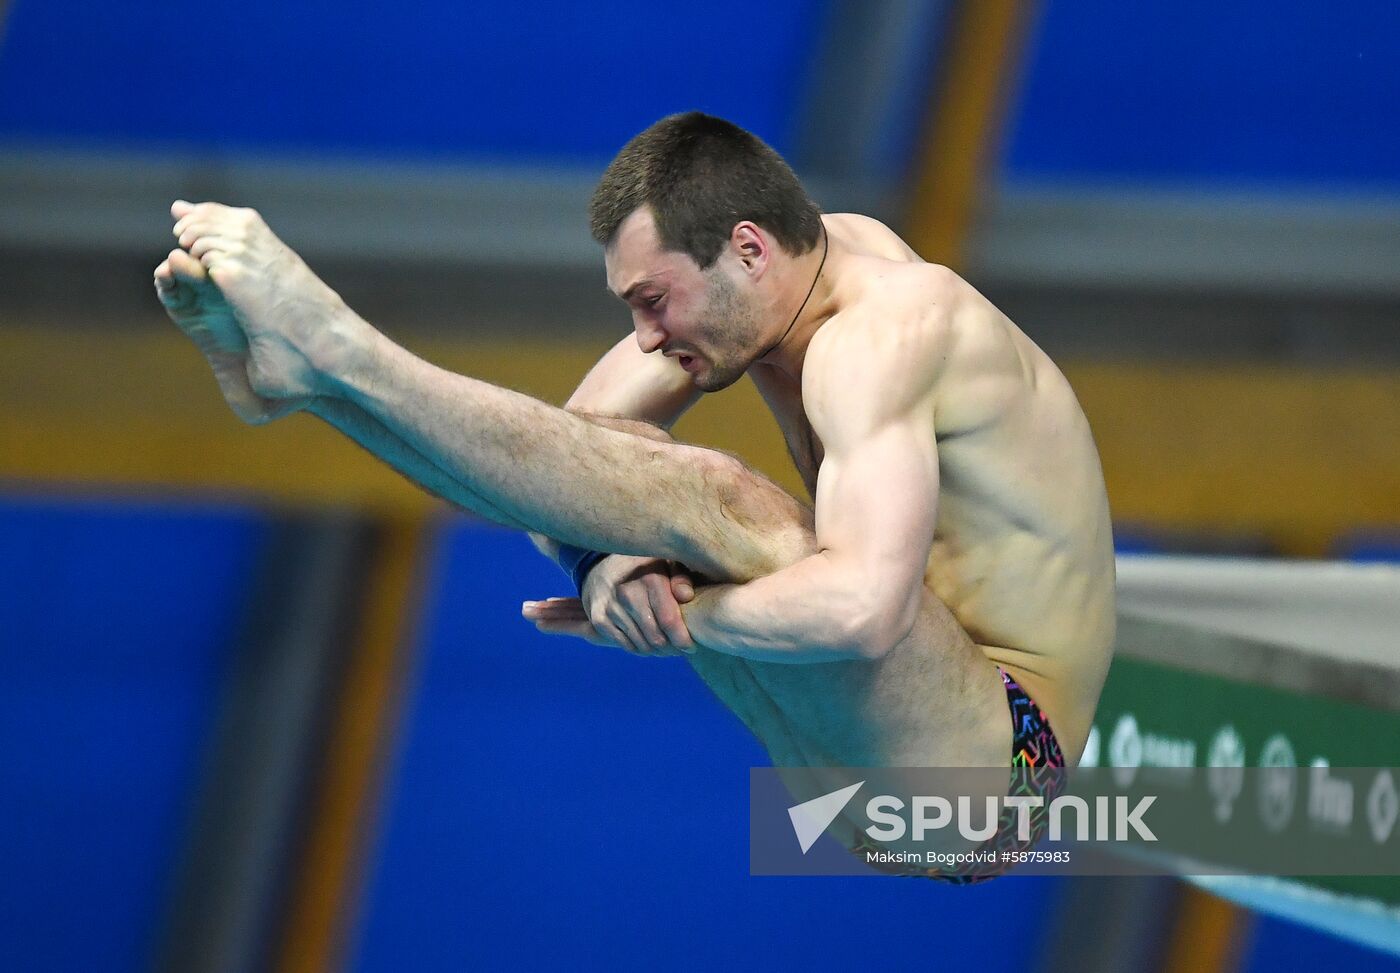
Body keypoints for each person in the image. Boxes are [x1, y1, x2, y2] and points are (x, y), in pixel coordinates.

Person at [154, 111, 1115, 880]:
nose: (648, 338)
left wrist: (678, 612)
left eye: (654, 300)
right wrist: (607, 566)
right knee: (617, 485)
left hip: (1003, 774)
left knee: (715, 500)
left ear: (747, 249)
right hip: (863, 781)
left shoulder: (883, 337)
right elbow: (572, 460)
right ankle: (312, 387)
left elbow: (865, 610)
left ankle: (342, 347)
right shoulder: (786, 281)